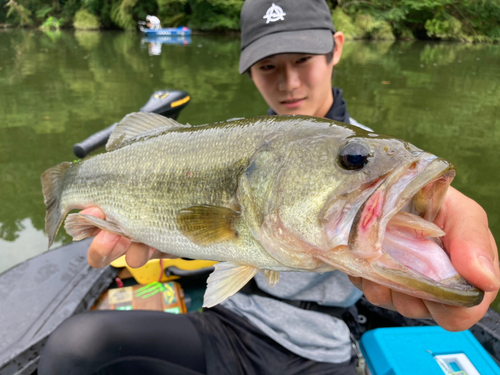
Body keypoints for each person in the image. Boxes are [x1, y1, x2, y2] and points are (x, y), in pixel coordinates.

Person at [38, 0, 499, 374]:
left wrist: (443, 218)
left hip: (319, 349)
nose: (289, 81)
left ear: (335, 49)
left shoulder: (369, 150)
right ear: (249, 70)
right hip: (230, 324)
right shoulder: (243, 143)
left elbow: (430, 213)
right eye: (268, 67)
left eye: (303, 61)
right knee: (75, 347)